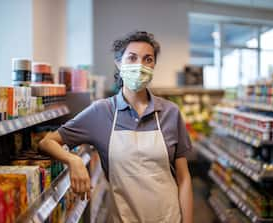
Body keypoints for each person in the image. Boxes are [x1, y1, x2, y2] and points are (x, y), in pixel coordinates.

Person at [39, 31, 193, 223]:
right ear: (119, 64)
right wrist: (73, 161)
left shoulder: (170, 112)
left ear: (154, 65)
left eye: (148, 59)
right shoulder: (101, 112)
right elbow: (47, 142)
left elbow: (184, 178)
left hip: (170, 218)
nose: (140, 66)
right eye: (132, 58)